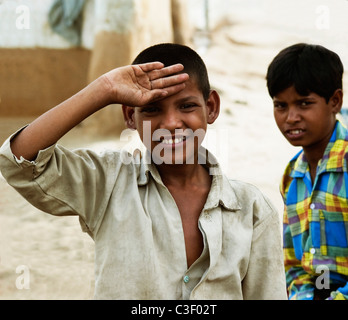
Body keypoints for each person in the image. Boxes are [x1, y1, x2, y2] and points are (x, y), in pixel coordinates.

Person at [0, 43, 287, 300]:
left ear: (210, 108)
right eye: (152, 110)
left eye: (186, 106)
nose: (172, 122)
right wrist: (104, 88)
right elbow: (20, 161)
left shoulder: (252, 210)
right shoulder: (109, 183)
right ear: (130, 116)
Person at [266, 43, 348, 300]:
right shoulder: (293, 176)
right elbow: (295, 262)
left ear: (335, 101)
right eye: (281, 106)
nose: (291, 117)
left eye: (304, 104)